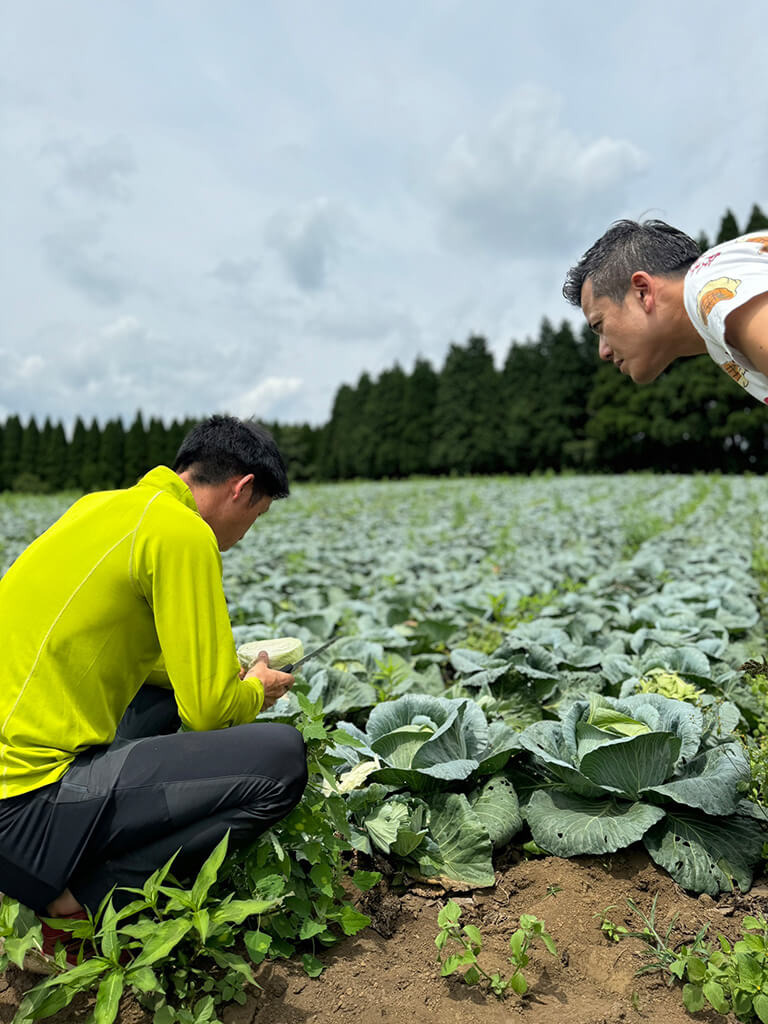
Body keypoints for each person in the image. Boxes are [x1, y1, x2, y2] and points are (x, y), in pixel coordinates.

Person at [0, 414, 307, 954]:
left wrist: (218, 669)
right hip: (24, 811)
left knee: (163, 697)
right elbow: (211, 712)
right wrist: (256, 688)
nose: (243, 535)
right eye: (255, 517)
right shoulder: (182, 532)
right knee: (281, 759)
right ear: (242, 489)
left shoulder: (97, 507)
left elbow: (135, 659)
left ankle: (55, 875)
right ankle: (78, 904)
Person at [562, 219, 768, 402]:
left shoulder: (709, 289)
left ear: (642, 292)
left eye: (599, 326)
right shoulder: (716, 311)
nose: (603, 352)